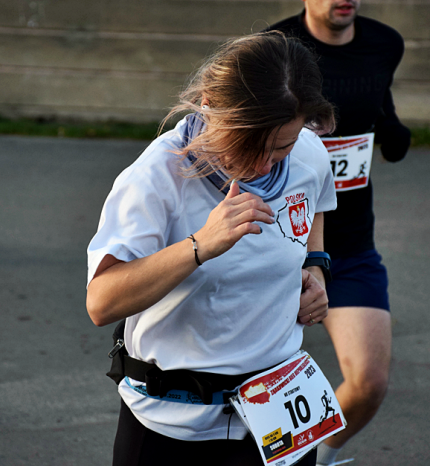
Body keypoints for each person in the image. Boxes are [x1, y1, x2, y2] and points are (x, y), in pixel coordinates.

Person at [86, 31, 339, 466]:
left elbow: (316, 206)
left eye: (281, 147)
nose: (265, 164)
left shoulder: (309, 153)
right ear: (211, 108)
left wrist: (316, 269)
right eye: (251, 145)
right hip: (172, 426)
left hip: (280, 418)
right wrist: (200, 245)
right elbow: (102, 301)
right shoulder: (156, 176)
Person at [267, 0, 412, 465]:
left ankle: (313, 458)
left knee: (368, 382)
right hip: (279, 245)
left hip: (350, 247)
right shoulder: (274, 49)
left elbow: (378, 102)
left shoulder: (384, 44)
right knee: (254, 384)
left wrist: (392, 131)